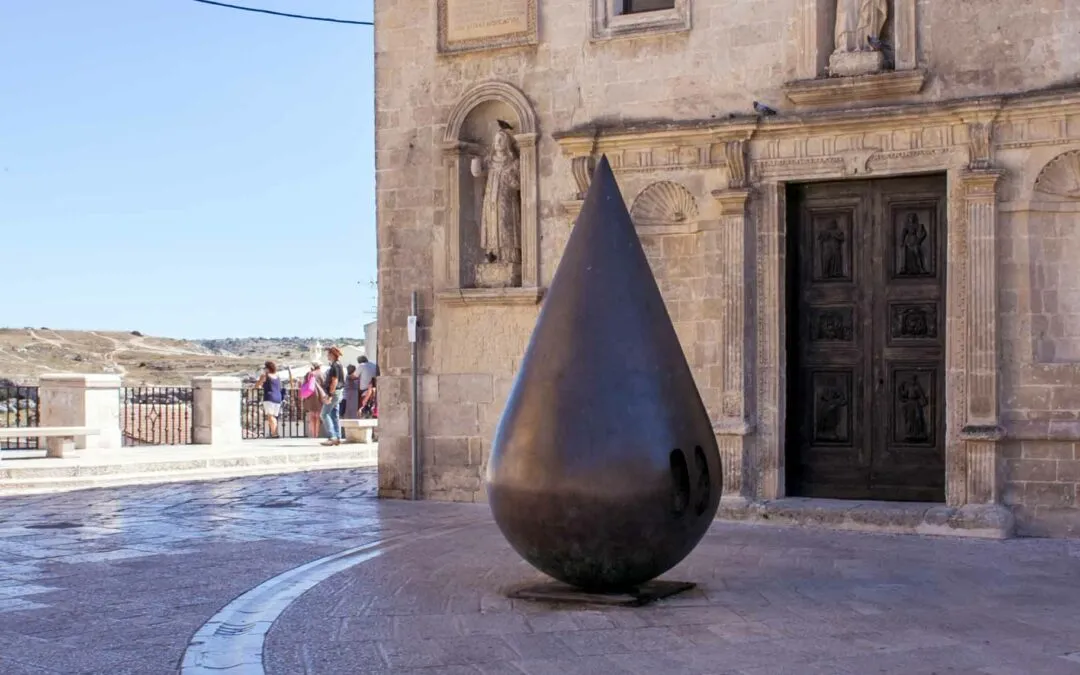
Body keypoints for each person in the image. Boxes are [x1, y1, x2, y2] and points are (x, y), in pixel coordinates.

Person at [320, 346, 346, 446]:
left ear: (332, 355)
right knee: (334, 415)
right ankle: (337, 437)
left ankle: (332, 436)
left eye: (328, 354)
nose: (327, 356)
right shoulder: (339, 365)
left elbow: (334, 381)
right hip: (339, 392)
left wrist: (330, 394)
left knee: (324, 414)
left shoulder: (335, 366)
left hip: (335, 392)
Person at [254, 361, 282, 438]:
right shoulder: (277, 376)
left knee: (270, 416)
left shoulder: (265, 376)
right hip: (278, 397)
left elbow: (257, 385)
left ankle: (274, 434)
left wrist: (260, 386)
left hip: (269, 397)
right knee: (274, 416)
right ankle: (274, 433)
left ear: (267, 368)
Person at [302, 362, 324, 439]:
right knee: (317, 416)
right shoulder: (322, 374)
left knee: (311, 415)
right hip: (320, 396)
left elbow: (304, 384)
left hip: (310, 395)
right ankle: (316, 434)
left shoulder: (309, 374)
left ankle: (312, 433)